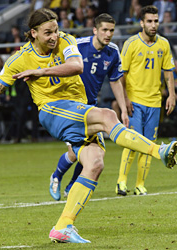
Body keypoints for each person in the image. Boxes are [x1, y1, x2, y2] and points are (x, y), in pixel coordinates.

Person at [0, 8, 177, 243]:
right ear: (33, 33)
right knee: (107, 115)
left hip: (77, 107)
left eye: (56, 30)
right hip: (52, 110)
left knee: (95, 163)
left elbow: (76, 66)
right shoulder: (19, 59)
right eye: (48, 32)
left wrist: (41, 71)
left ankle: (62, 226)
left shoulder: (66, 40)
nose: (54, 36)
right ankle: (158, 151)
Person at [48, 13, 129, 201]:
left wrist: (123, 109)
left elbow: (116, 81)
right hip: (71, 106)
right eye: (104, 30)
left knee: (93, 152)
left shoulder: (113, 52)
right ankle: (56, 177)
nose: (108, 34)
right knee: (75, 153)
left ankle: (71, 186)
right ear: (95, 30)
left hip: (91, 107)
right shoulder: (77, 45)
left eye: (111, 30)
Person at [115, 5, 177, 197]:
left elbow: (168, 72)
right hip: (135, 101)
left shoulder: (164, 44)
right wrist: (125, 99)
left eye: (156, 21)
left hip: (154, 101)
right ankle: (121, 182)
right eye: (149, 21)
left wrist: (172, 95)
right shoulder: (131, 43)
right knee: (134, 143)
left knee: (150, 143)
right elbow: (121, 75)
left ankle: (140, 185)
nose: (153, 25)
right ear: (141, 23)